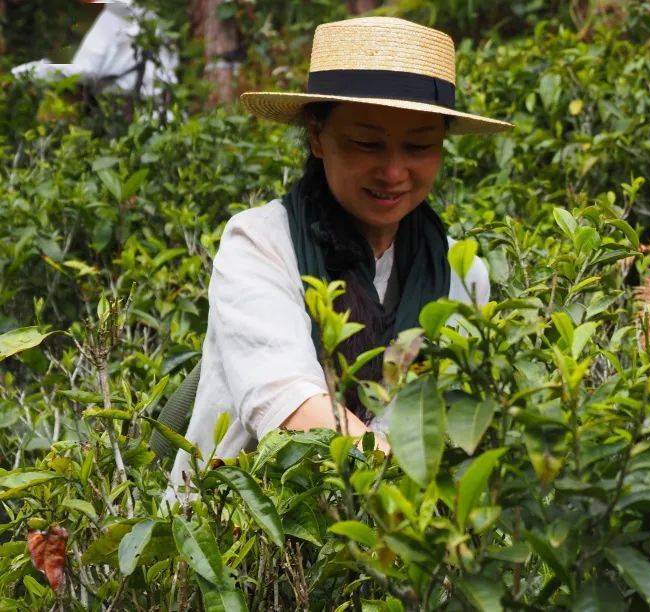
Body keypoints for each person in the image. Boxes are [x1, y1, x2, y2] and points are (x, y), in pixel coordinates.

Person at [168, 16, 512, 491]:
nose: (394, 172)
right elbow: (288, 406)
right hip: (240, 538)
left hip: (393, 546)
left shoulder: (462, 272)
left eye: (419, 145)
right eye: (366, 142)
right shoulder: (259, 244)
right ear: (316, 135)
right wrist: (421, 507)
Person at [11, 0, 177, 100]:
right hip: (166, 106)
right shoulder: (146, 13)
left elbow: (84, 73)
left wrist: (29, 72)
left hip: (140, 113)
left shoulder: (114, 18)